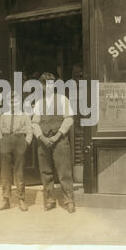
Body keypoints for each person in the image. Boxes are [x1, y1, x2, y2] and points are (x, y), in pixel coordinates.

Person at [32, 72, 76, 213]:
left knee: (64, 172)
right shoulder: (39, 104)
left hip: (60, 140)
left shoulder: (63, 100)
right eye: (46, 84)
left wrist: (57, 136)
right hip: (44, 142)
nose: (49, 87)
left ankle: (69, 200)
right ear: (42, 86)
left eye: (51, 84)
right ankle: (50, 200)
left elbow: (69, 120)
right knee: (46, 172)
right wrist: (42, 138)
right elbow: (34, 123)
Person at [0, 92, 33, 212]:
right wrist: (1, 142)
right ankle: (6, 200)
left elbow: (29, 132)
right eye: (10, 101)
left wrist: (25, 143)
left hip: (19, 142)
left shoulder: (24, 115)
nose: (13, 103)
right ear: (7, 102)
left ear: (19, 102)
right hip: (6, 142)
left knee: (19, 172)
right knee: (5, 173)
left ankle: (21, 199)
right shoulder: (3, 116)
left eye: (15, 101)